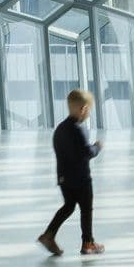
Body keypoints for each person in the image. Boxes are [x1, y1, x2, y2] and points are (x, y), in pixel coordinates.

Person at [38, 87, 103, 257]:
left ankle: (49, 234)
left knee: (68, 206)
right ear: (84, 109)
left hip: (64, 178)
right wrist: (97, 147)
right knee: (86, 209)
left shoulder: (60, 129)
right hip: (81, 179)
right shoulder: (79, 129)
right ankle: (88, 242)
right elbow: (87, 153)